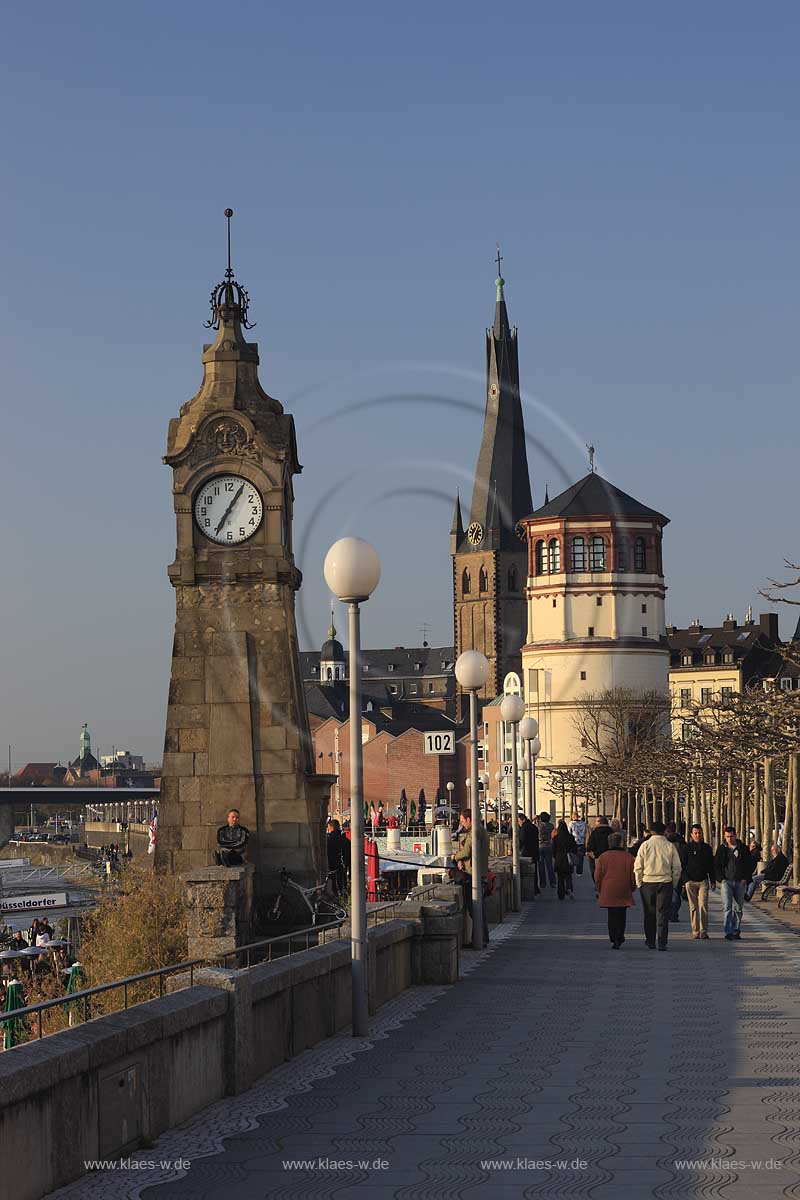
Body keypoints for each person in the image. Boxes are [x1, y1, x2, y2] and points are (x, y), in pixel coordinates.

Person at [634, 820, 683, 950]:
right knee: (663, 913)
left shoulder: (645, 845)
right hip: (665, 882)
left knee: (649, 913)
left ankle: (650, 940)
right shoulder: (669, 846)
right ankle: (662, 942)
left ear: (651, 832)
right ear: (664, 831)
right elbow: (677, 867)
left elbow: (638, 866)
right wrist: (673, 883)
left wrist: (639, 883)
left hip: (648, 882)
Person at [452, 809, 490, 945]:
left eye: (463, 821)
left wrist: (455, 857)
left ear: (469, 819)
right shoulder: (481, 830)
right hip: (479, 872)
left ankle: (480, 939)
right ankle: (480, 938)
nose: (462, 825)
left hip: (473, 874)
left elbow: (468, 850)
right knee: (478, 908)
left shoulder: (474, 832)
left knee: (475, 908)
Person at [594, 832, 637, 947]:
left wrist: (599, 888)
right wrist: (632, 887)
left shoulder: (603, 857)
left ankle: (613, 937)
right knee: (622, 914)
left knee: (611, 914)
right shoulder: (629, 857)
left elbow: (597, 875)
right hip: (624, 887)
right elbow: (633, 875)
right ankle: (620, 934)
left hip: (608, 889)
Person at [715, 827, 755, 939]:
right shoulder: (722, 849)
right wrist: (721, 878)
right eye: (727, 836)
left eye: (731, 836)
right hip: (726, 881)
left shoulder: (743, 848)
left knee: (738, 907)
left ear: (735, 835)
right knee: (727, 906)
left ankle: (736, 929)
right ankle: (728, 931)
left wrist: (745, 878)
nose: (729, 839)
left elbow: (750, 864)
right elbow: (716, 864)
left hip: (740, 881)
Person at [684, 823, 716, 939]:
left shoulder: (707, 848)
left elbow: (711, 866)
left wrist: (712, 880)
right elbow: (682, 865)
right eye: (695, 833)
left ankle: (703, 931)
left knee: (703, 905)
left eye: (699, 833)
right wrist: (685, 881)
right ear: (691, 835)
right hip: (690, 881)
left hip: (703, 880)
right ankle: (695, 931)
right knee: (693, 907)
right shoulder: (686, 848)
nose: (698, 835)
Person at [665, 821, 688, 922]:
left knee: (668, 894)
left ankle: (670, 912)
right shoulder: (681, 840)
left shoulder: (664, 841)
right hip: (678, 870)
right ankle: (674, 913)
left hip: (666, 869)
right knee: (676, 893)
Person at [552, 819, 577, 900]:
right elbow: (574, 848)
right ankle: (569, 889)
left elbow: (553, 849)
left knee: (560, 878)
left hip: (559, 858)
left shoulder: (556, 838)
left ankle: (561, 894)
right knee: (568, 876)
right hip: (568, 858)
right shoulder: (570, 837)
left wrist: (555, 856)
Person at [517, 813, 541, 895]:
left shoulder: (524, 828)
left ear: (522, 819)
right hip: (535, 851)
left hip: (526, 852)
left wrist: (518, 849)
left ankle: (530, 890)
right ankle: (535, 888)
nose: (518, 823)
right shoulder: (534, 827)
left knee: (527, 871)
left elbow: (522, 840)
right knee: (534, 871)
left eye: (518, 821)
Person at [326, 818, 349, 895]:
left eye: (328, 828)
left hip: (332, 868)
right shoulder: (345, 840)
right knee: (342, 887)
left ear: (331, 827)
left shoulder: (329, 840)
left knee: (333, 889)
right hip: (343, 869)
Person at [536, 812, 556, 888]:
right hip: (549, 846)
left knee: (541, 866)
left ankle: (542, 883)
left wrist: (535, 819)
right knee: (549, 865)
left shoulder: (538, 826)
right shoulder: (551, 826)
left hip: (540, 846)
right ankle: (552, 882)